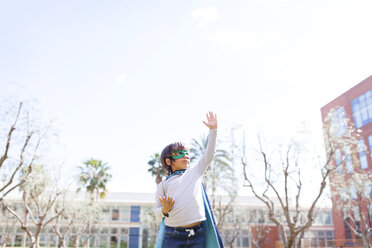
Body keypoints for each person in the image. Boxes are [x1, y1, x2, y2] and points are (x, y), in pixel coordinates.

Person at [154, 111, 219, 248]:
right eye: (180, 154)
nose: (186, 156)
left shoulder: (194, 172)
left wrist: (213, 130)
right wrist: (164, 210)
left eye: (187, 153)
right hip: (173, 235)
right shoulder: (163, 185)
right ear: (168, 161)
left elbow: (209, 155)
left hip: (197, 234)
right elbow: (157, 212)